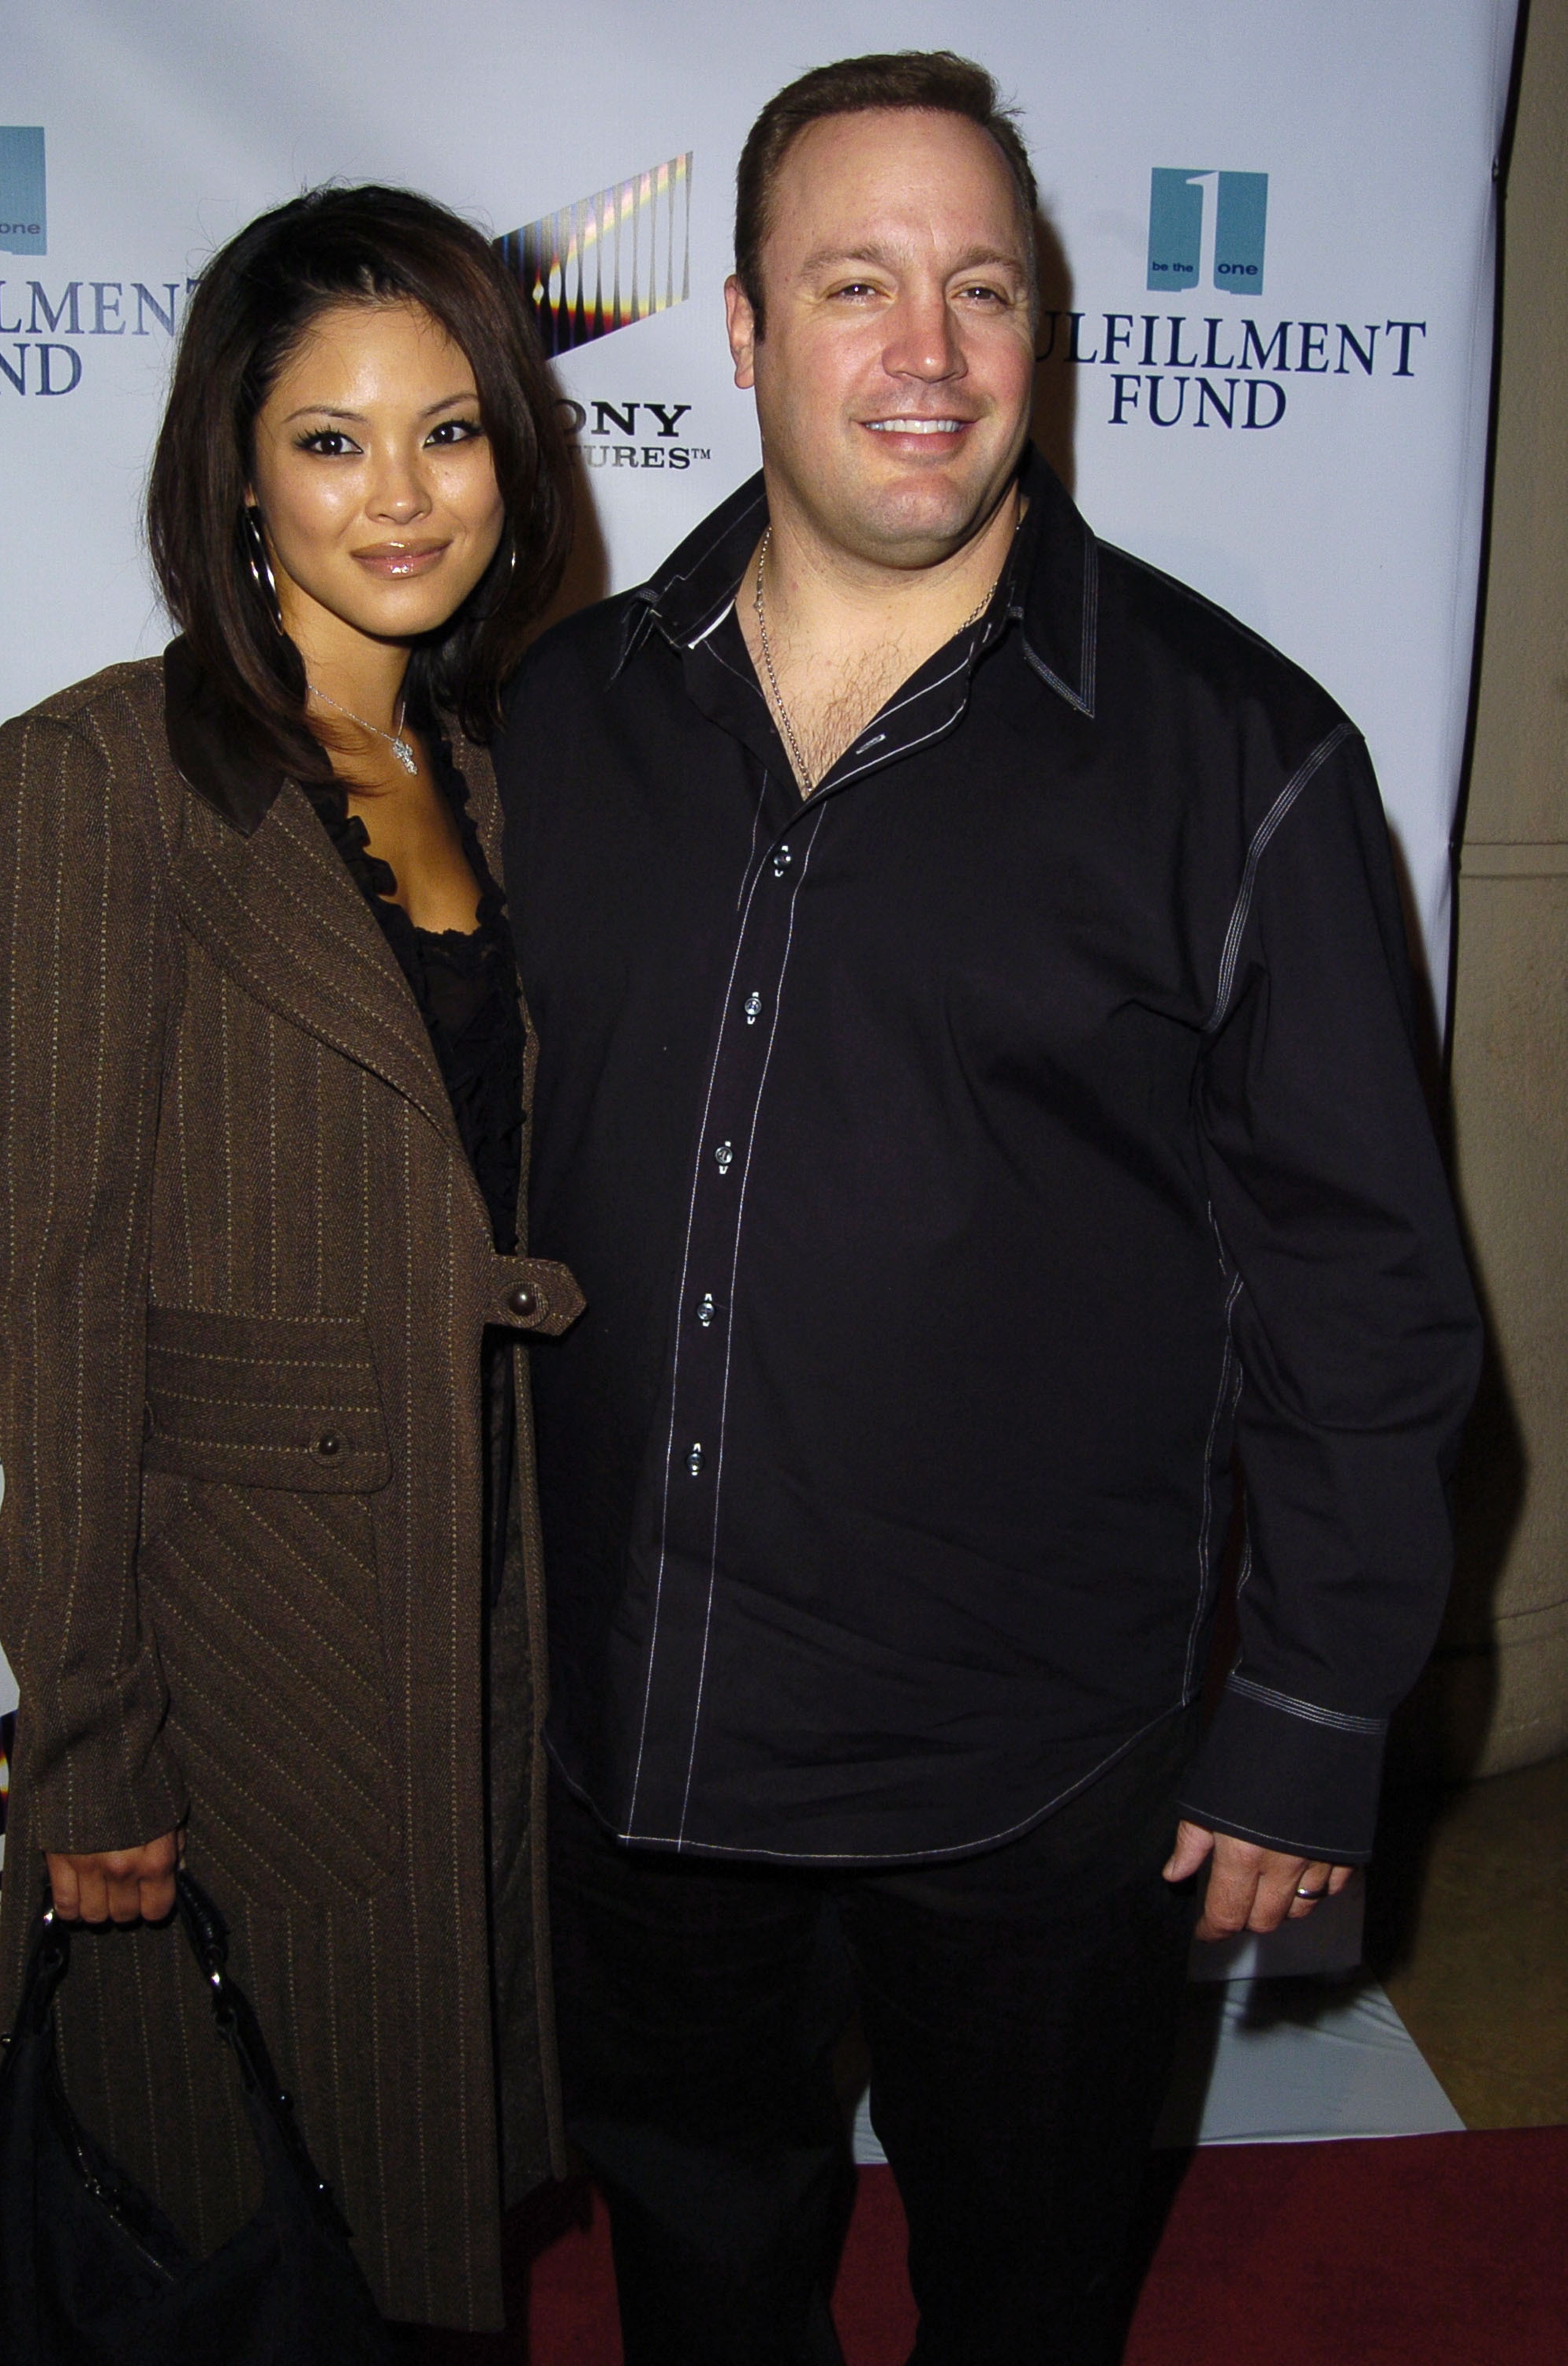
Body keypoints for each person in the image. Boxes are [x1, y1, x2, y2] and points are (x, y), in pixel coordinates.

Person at [492, 49, 1484, 2366]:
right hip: (642, 1752)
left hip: (1037, 1790)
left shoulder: (1242, 759)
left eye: (984, 291)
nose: (926, 359)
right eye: (856, 287)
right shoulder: (557, 726)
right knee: (698, 2280)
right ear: (739, 330)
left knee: (1025, 2302)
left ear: (1044, 333)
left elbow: (1366, 1280)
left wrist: (1315, 1706)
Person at [0, 185, 583, 2335]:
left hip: (488, 1597)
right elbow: (44, 1298)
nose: (399, 495)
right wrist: (93, 1739)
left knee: (437, 2175)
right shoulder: (100, 780)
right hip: (249, 1649)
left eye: (449, 429)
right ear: (233, 465)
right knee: (251, 2200)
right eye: (330, 438)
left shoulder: (504, 776)